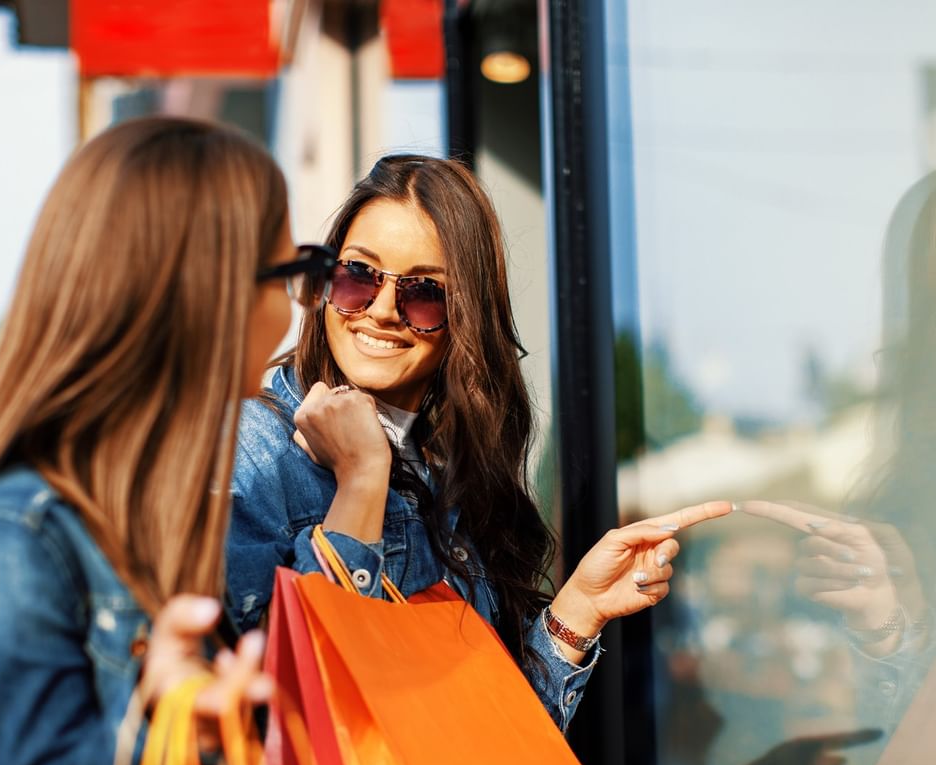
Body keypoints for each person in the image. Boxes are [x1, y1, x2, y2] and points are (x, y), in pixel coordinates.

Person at [0, 116, 333, 765]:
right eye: (295, 271)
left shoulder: (152, 519)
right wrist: (162, 731)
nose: (303, 302)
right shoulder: (18, 533)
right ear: (212, 293)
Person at [226, 153, 731, 731]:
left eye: (424, 293)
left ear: (466, 317)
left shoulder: (447, 476)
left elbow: (483, 749)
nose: (382, 311)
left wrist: (577, 613)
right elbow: (278, 717)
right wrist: (361, 482)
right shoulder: (251, 449)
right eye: (358, 276)